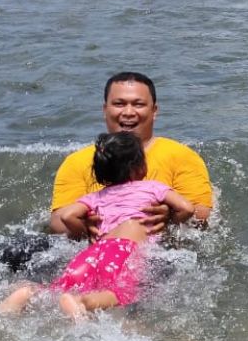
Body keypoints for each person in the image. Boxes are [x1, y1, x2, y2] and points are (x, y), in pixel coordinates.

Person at [1, 132, 195, 319]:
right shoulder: (153, 187)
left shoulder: (95, 197)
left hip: (95, 252)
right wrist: (169, 223)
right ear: (140, 167)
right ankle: (84, 303)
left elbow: (68, 216)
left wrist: (84, 230)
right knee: (122, 291)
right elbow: (187, 208)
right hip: (126, 252)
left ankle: (29, 293)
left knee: (61, 286)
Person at [51, 72, 213, 240]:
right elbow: (57, 221)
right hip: (100, 247)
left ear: (154, 111)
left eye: (138, 104)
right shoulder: (77, 161)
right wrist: (86, 225)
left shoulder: (182, 156)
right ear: (105, 110)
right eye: (119, 104)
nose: (128, 112)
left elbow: (202, 214)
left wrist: (169, 217)